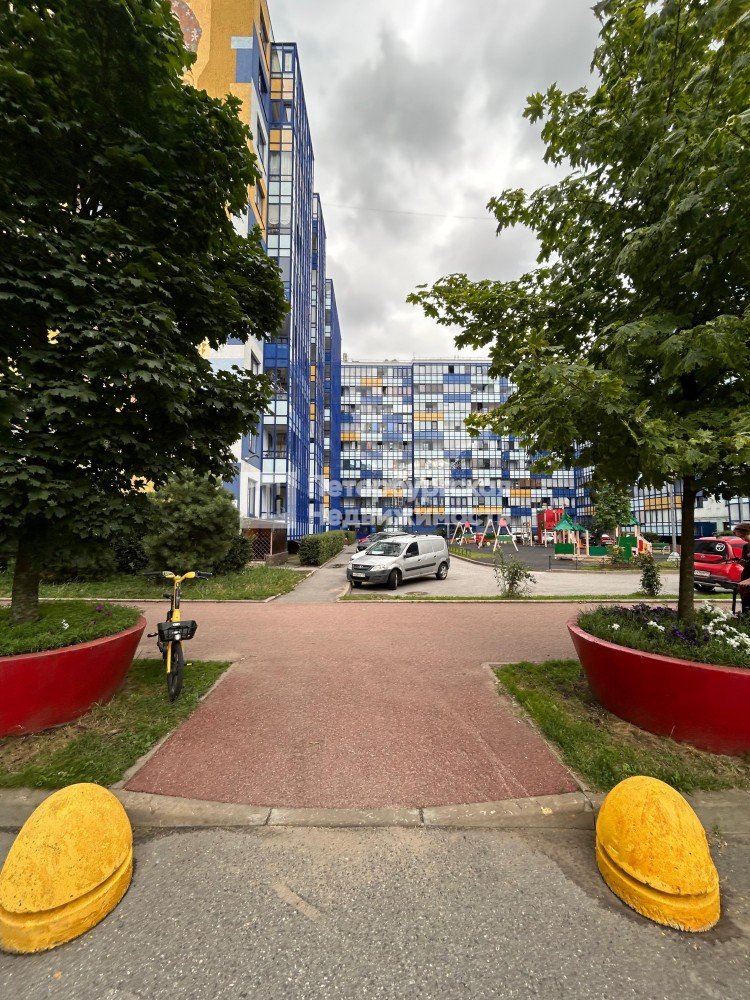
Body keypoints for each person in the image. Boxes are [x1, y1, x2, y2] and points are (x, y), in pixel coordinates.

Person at [733, 522, 750, 615]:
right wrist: (743, 563)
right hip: (745, 579)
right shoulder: (746, 546)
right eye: (740, 537)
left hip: (748, 580)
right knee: (746, 607)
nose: (743, 539)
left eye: (743, 536)